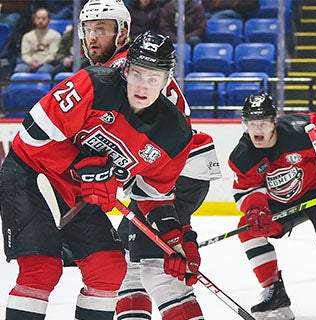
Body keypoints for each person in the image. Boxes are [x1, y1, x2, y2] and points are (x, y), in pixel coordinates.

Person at [0, 31, 196, 320]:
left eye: (154, 78)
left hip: (79, 192)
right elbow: (31, 136)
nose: (143, 86)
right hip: (32, 173)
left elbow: (153, 195)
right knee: (41, 269)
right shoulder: (94, 84)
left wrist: (174, 241)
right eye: (138, 74)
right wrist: (82, 165)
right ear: (126, 69)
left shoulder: (174, 134)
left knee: (108, 268)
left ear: (167, 81)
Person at [77, 1, 222, 319]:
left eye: (101, 29)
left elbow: (153, 143)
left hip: (174, 173)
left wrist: (180, 227)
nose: (91, 38)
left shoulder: (122, 71)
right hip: (169, 173)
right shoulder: (126, 66)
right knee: (130, 269)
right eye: (87, 29)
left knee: (158, 272)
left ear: (122, 32)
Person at [229, 93, 316, 319]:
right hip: (284, 203)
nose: (257, 129)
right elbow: (247, 190)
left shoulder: (303, 131)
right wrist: (256, 209)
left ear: (274, 122)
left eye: (262, 123)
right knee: (248, 229)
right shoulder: (243, 156)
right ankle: (274, 291)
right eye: (251, 123)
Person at [14, 7, 61, 74]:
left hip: (47, 64)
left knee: (43, 71)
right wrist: (31, 62)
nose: (40, 21)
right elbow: (24, 54)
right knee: (19, 69)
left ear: (49, 20)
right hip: (29, 63)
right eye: (38, 18)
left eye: (43, 18)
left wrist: (41, 63)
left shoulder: (56, 35)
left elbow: (53, 55)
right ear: (34, 20)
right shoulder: (27, 36)